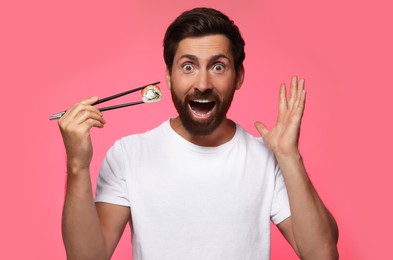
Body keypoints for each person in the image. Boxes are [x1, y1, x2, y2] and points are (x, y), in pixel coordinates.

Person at [59, 7, 339, 260]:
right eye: (188, 67)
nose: (202, 83)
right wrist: (77, 165)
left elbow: (322, 254)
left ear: (239, 76)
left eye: (218, 67)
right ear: (169, 77)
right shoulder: (128, 155)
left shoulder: (266, 158)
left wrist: (289, 156)